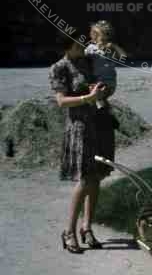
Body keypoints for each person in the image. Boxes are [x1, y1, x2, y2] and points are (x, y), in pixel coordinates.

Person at [49, 32, 115, 254]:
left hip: (99, 125)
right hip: (79, 129)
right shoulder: (59, 68)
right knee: (85, 179)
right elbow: (61, 101)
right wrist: (87, 98)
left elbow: (104, 72)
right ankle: (69, 231)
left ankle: (87, 228)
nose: (83, 45)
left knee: (96, 178)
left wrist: (102, 90)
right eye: (78, 43)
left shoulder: (87, 61)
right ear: (67, 46)